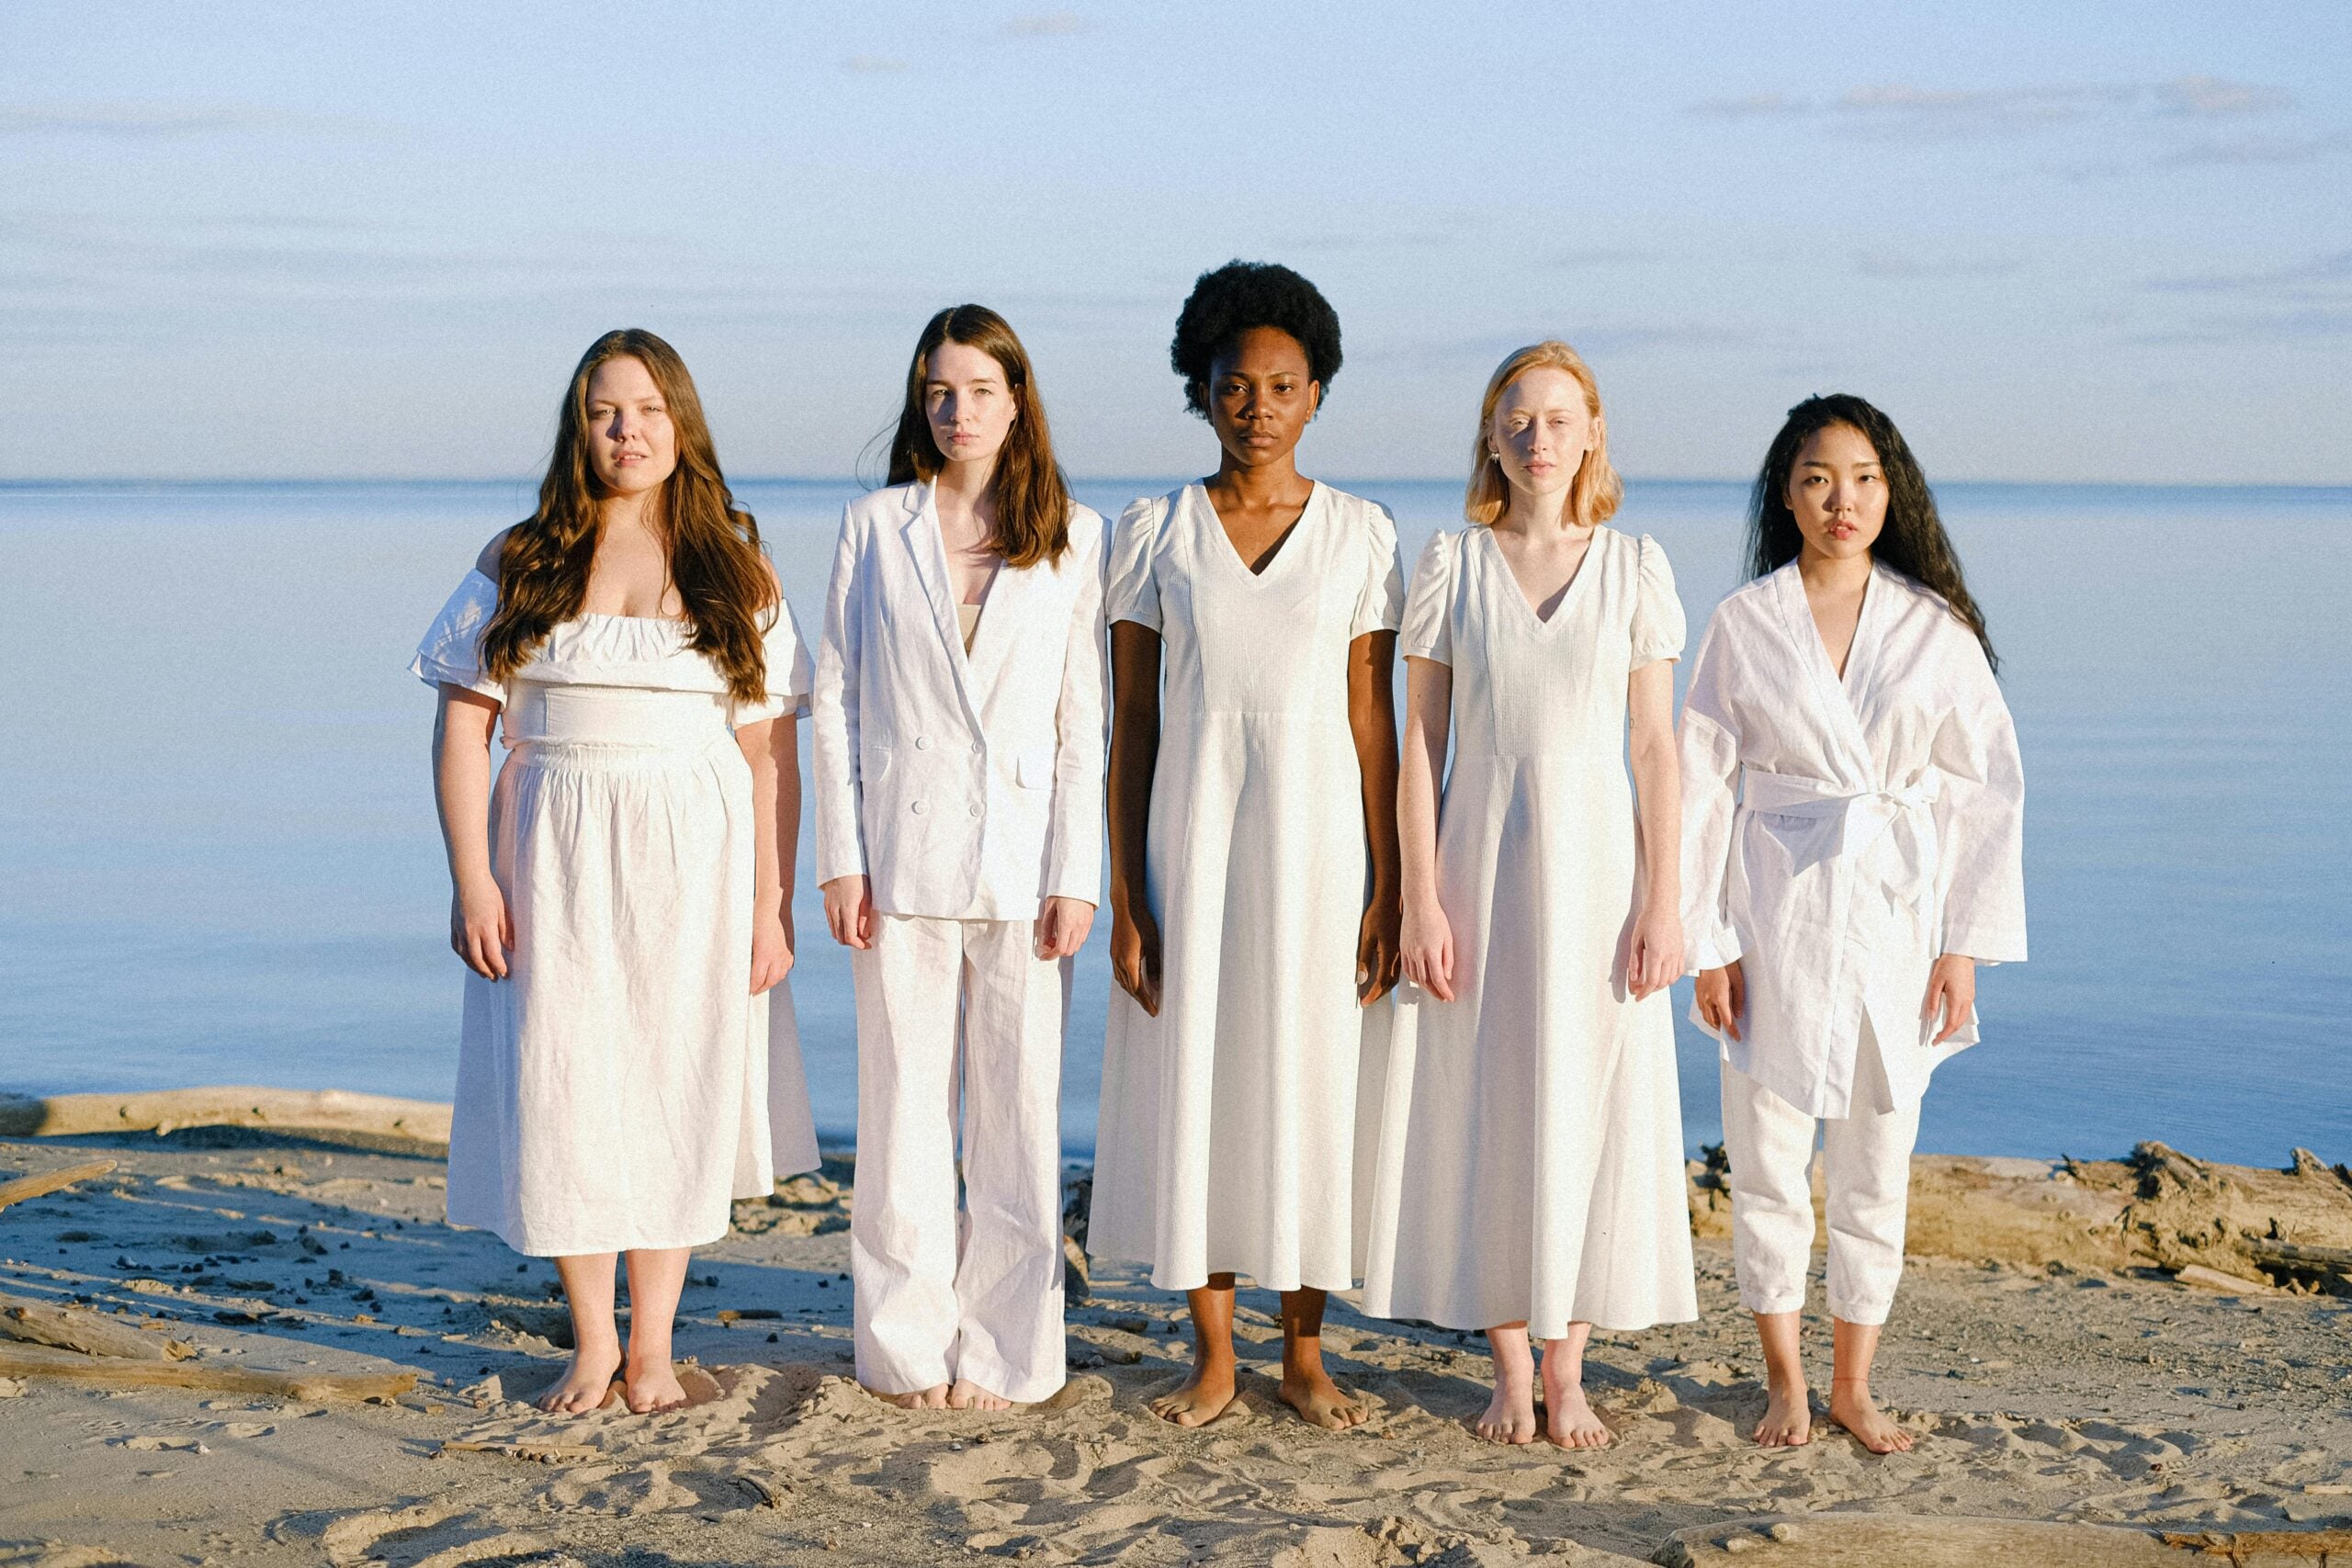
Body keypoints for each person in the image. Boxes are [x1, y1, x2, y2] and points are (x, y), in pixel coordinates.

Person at [413, 329, 819, 1416]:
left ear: (679, 421)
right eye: (604, 412)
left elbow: (768, 754)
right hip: (550, 847)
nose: (625, 430)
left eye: (644, 409)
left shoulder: (736, 564)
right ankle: (594, 1344)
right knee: (569, 1084)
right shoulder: (520, 557)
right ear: (578, 427)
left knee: (675, 1087)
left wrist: (770, 905)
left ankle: (656, 1349)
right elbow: (463, 733)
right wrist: (471, 881)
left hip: (698, 851)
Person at [1358, 342, 1697, 1449]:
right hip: (1478, 860)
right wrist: (1417, 900)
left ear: (1592, 430)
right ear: (1492, 435)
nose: (1538, 438)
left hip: (1599, 868)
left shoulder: (1636, 565)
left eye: (1559, 418)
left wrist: (1665, 899)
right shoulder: (1451, 563)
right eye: (1517, 419)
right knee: (1483, 1103)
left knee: (1597, 1102)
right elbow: (1419, 744)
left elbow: (1655, 749)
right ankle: (1507, 1367)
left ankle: (1569, 1369)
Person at [1088, 260, 1404, 1430]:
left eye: (1281, 387)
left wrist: (1392, 885)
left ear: (1315, 393)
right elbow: (1132, 726)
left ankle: (1306, 1354)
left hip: (1321, 843)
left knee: (1312, 1080)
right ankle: (1214, 1352)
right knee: (1201, 1081)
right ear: (1201, 390)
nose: (1257, 408)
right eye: (1234, 386)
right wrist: (1126, 894)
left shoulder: (1364, 533)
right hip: (1193, 834)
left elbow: (1373, 720)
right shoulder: (1151, 530)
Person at [1680, 393, 2027, 1453]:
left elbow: (1986, 791)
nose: (1843, 500)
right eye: (1818, 478)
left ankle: (1853, 1385)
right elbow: (1698, 784)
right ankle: (1783, 1381)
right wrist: (1707, 941)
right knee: (1769, 1158)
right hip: (1773, 911)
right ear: (1785, 492)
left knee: (1878, 1159)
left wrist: (1961, 945)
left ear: (1893, 490)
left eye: (1865, 478)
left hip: (1896, 920)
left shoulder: (1934, 628)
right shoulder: (1746, 623)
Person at [810, 305, 1105, 1412]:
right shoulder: (873, 526)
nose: (957, 411)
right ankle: (902, 1347)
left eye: (979, 390)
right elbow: (833, 697)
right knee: (898, 1116)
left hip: (1025, 868)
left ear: (1016, 399)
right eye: (938, 391)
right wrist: (840, 859)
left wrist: (1077, 874)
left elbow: (1086, 723)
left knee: (1019, 1119)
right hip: (900, 856)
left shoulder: (1076, 533)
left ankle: (1009, 1353)